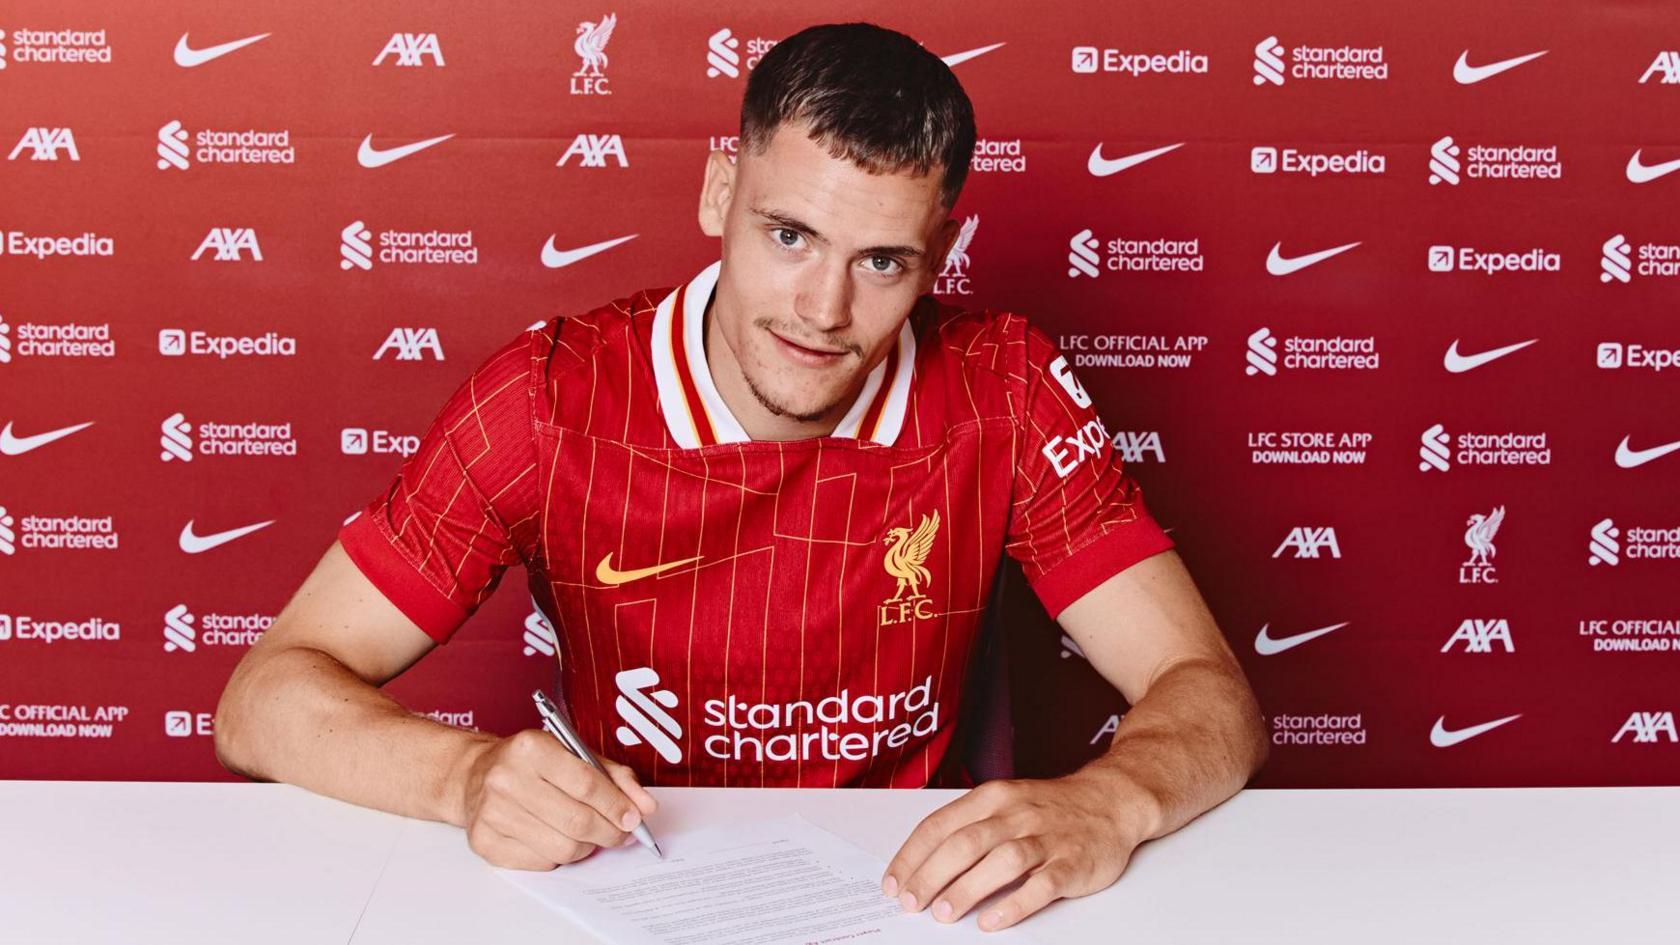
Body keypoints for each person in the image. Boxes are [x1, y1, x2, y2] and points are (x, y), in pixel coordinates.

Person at [214, 21, 1267, 933]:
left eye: (882, 262)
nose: (822, 308)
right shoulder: (548, 397)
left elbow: (1207, 692)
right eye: (790, 233)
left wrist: (1111, 803)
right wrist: (468, 777)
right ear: (722, 189)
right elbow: (264, 699)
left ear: (938, 253)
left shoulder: (1003, 385)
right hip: (626, 890)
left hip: (911, 905)